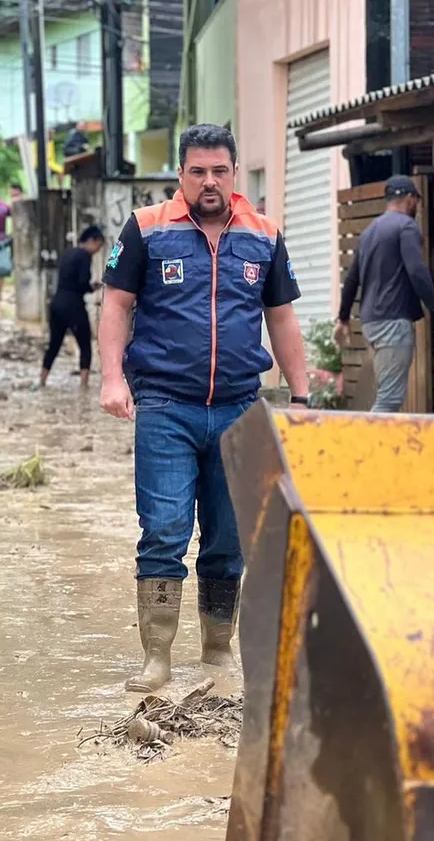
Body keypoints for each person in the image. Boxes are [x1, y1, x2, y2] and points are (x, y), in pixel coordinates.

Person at [99, 123, 309, 693]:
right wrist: (113, 379)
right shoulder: (146, 229)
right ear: (181, 175)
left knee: (228, 536)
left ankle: (218, 651)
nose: (209, 181)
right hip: (166, 405)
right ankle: (157, 658)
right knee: (164, 530)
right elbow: (116, 305)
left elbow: (282, 319)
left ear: (235, 173)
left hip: (241, 406)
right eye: (198, 171)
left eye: (219, 170)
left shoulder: (264, 235)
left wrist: (303, 395)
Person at [334, 175, 434, 413]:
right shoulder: (406, 226)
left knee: (387, 391)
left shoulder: (369, 232)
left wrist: (343, 318)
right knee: (389, 399)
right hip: (392, 321)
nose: (418, 207)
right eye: (417, 201)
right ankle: (368, 448)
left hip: (372, 322)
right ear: (410, 199)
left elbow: (352, 278)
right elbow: (417, 272)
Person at [40, 225, 105, 389]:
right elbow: (82, 283)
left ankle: (42, 380)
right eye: (99, 246)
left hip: (56, 304)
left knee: (54, 344)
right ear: (92, 241)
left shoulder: (68, 253)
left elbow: (70, 280)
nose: (98, 250)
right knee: (85, 345)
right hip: (73, 306)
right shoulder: (85, 255)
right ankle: (84, 385)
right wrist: (92, 288)